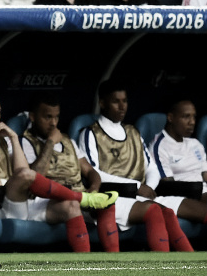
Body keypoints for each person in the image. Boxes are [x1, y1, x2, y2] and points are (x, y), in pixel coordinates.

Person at [0, 88, 118, 254]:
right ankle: (82, 197)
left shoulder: (4, 140)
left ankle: (87, 265)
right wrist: (12, 180)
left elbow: (23, 171)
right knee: (25, 176)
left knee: (70, 205)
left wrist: (13, 138)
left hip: (15, 200)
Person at [78, 78, 194, 252]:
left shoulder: (133, 132)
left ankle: (191, 264)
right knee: (155, 211)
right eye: (116, 101)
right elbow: (94, 173)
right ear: (102, 103)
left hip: (139, 195)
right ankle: (163, 267)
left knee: (168, 213)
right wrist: (137, 187)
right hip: (111, 196)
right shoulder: (90, 133)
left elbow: (151, 168)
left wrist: (148, 188)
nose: (122, 106)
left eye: (124, 101)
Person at [21, 92, 120, 252]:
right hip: (43, 200)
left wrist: (94, 188)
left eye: (56, 117)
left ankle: (114, 261)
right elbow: (35, 177)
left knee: (107, 204)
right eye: (47, 117)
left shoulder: (69, 142)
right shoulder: (24, 142)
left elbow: (90, 171)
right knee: (71, 205)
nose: (53, 123)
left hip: (78, 195)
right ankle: (82, 263)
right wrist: (50, 142)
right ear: (33, 117)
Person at [150, 98, 207, 204]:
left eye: (194, 117)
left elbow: (205, 174)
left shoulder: (195, 144)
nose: (192, 122)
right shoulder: (159, 147)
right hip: (188, 197)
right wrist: (198, 192)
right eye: (186, 117)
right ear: (171, 117)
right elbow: (169, 186)